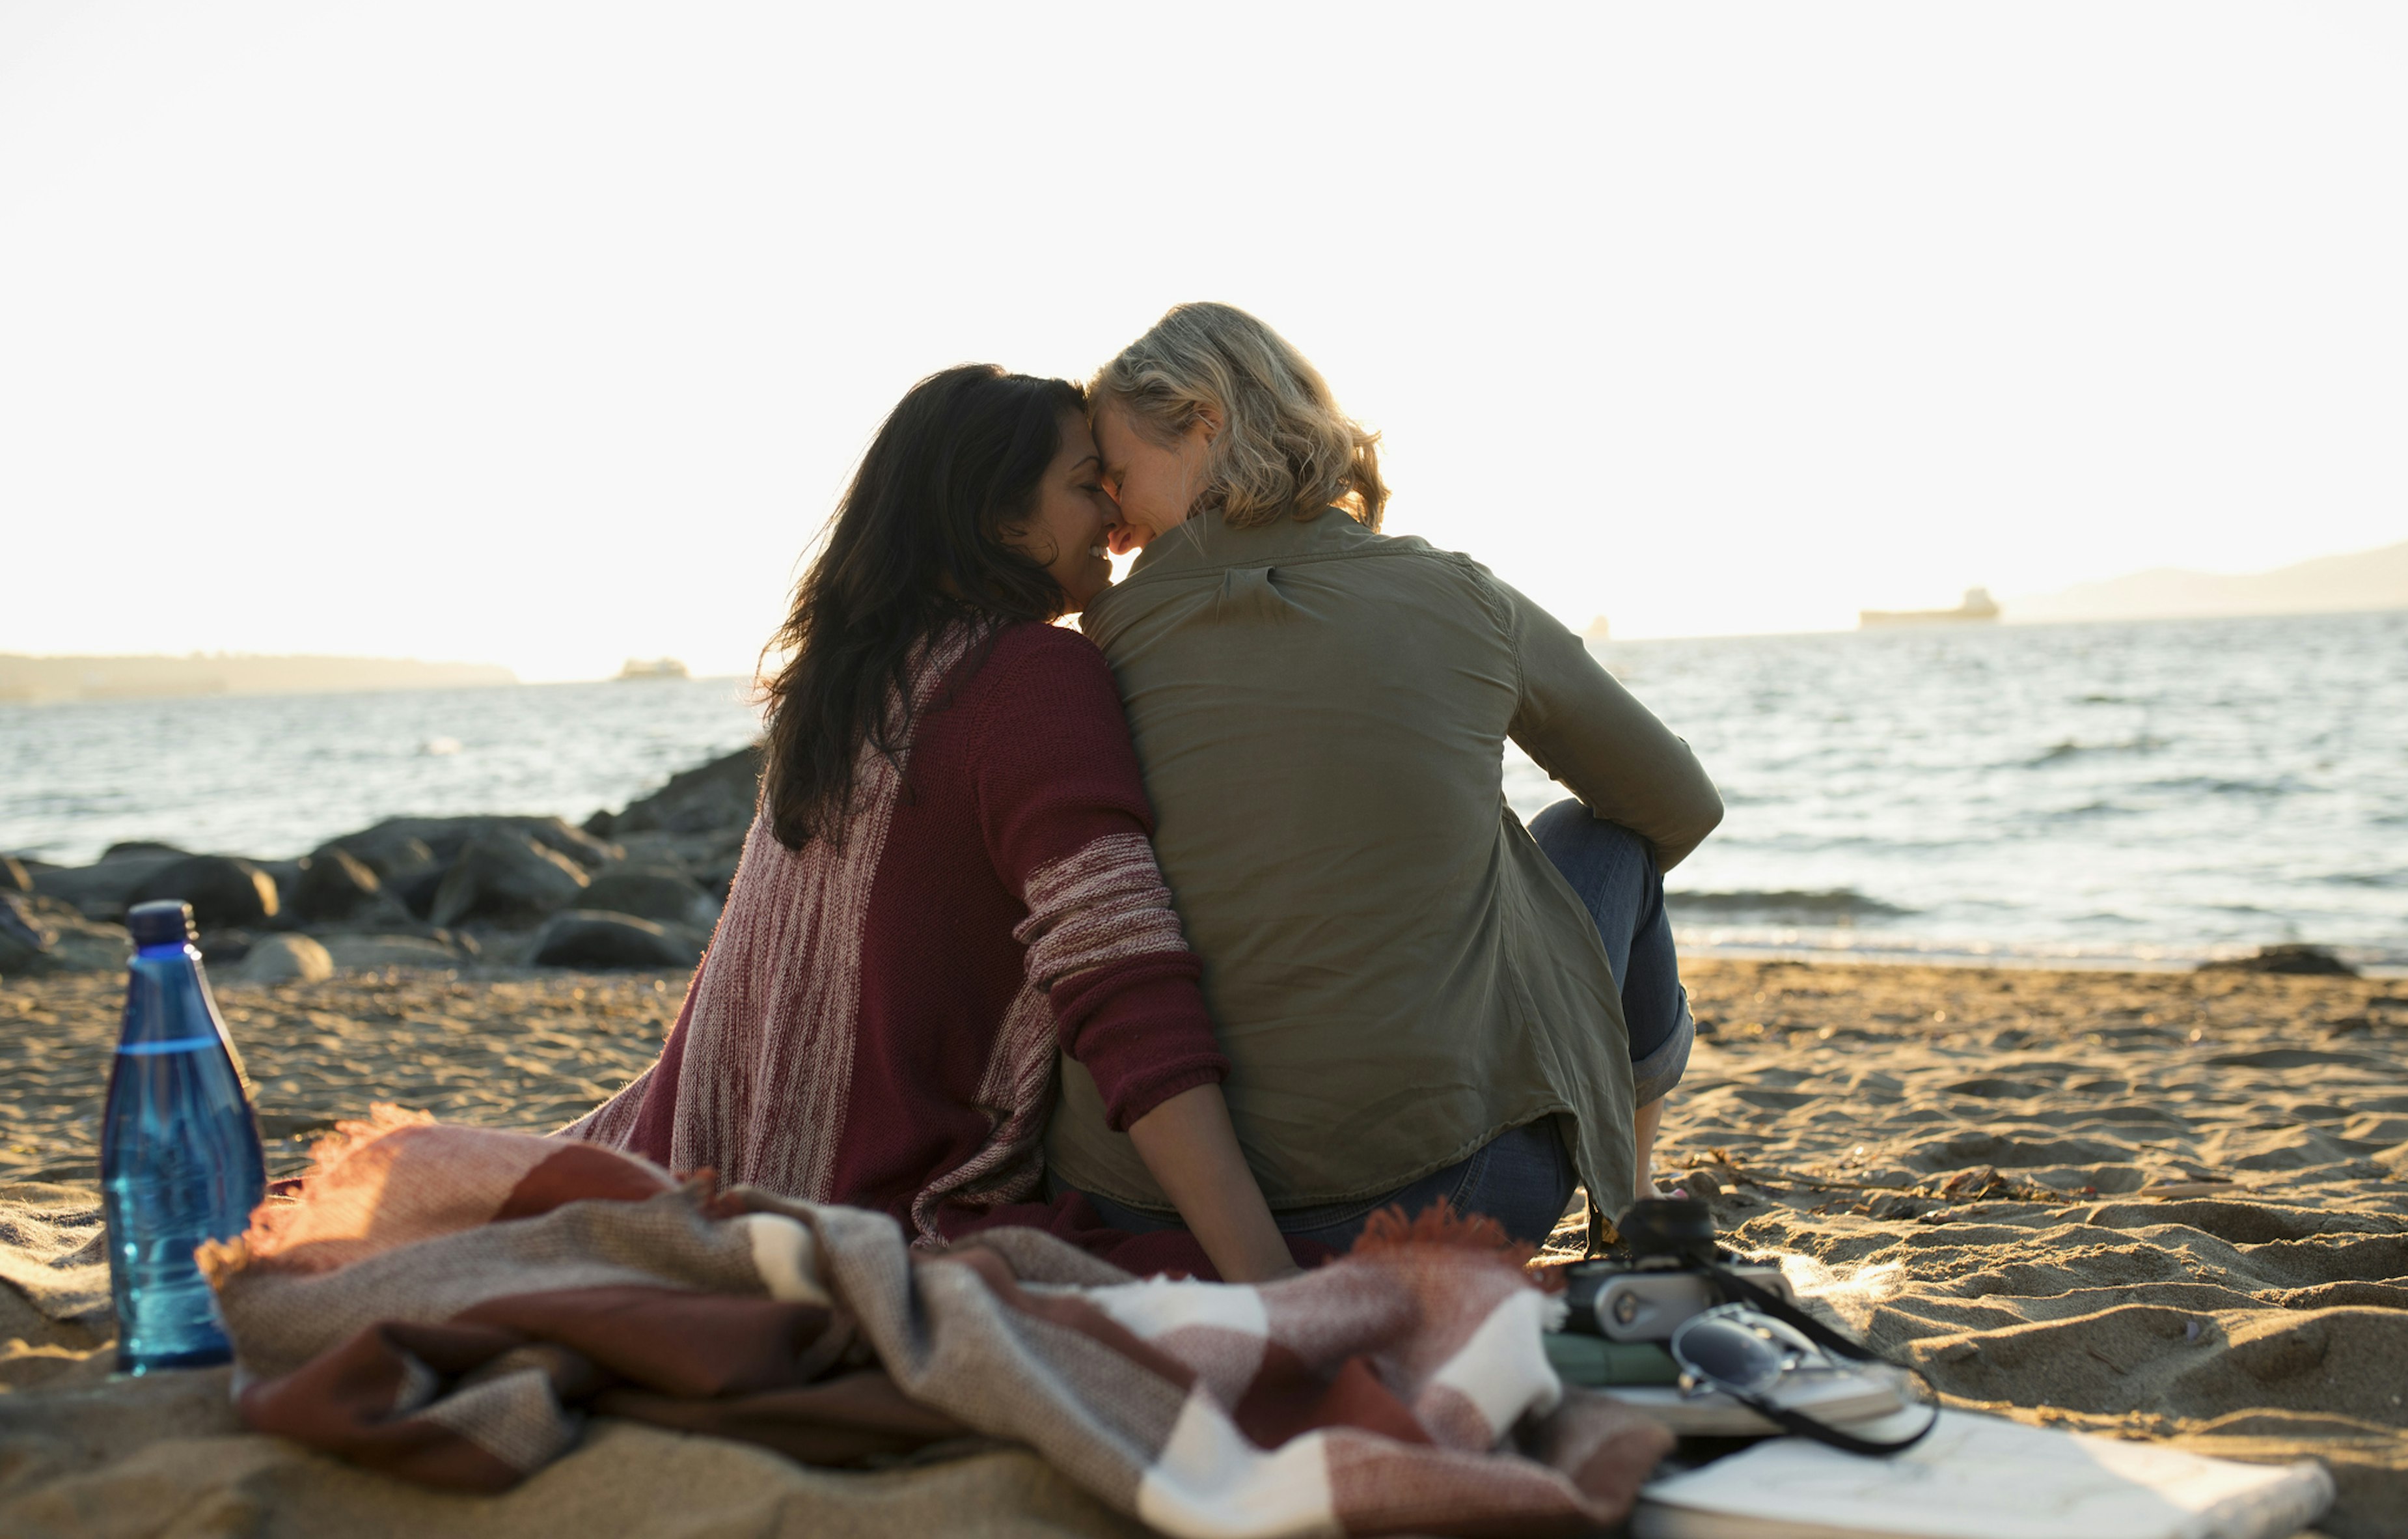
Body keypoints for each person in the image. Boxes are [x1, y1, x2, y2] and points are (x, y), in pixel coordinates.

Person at [565, 364, 1296, 1282]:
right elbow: (1119, 975)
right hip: (881, 1209)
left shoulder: (844, 689)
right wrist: (1266, 1279)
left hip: (716, 1170)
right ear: (997, 518)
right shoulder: (1031, 673)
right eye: (1084, 485)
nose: (1114, 519)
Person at [1046, 304, 1723, 1254]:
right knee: (1605, 838)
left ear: (1205, 424)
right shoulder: (1458, 597)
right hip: (1452, 1194)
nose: (1112, 518)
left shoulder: (1097, 648)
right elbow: (1678, 807)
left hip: (1139, 1200)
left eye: (1118, 477)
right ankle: (1637, 1205)